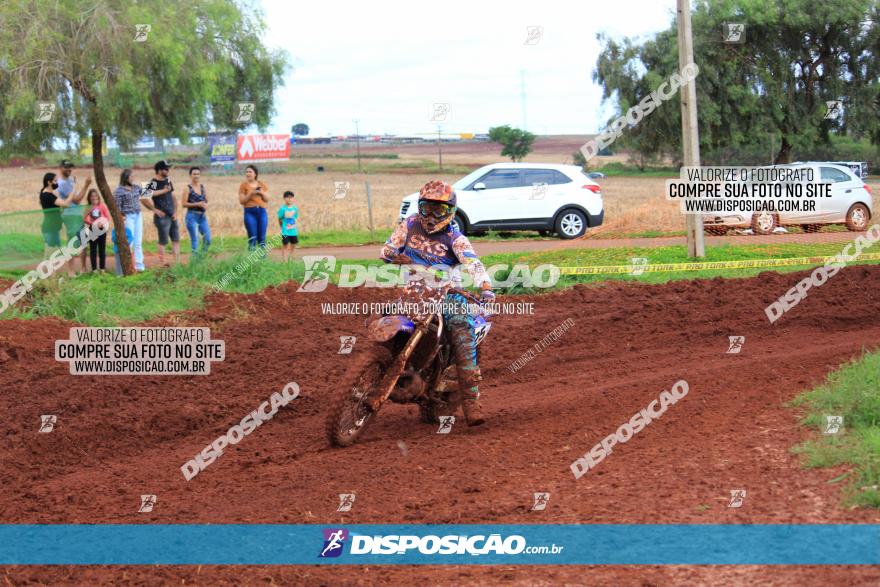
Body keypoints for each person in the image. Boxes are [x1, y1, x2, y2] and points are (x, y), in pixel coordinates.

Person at [379, 179, 495, 426]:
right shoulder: (409, 224)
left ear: (450, 211)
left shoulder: (455, 237)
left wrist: (485, 288)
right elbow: (388, 248)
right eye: (426, 208)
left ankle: (472, 401)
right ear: (419, 207)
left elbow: (473, 263)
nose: (431, 215)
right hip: (415, 291)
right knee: (384, 318)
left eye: (439, 209)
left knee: (461, 329)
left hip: (449, 295)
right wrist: (391, 255)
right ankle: (374, 368)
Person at [39, 172, 93, 277]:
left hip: (54, 227)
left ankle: (49, 276)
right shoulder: (47, 195)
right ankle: (49, 276)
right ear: (49, 182)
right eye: (55, 181)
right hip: (51, 227)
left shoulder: (48, 194)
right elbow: (67, 204)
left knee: (51, 252)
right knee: (51, 253)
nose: (56, 183)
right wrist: (74, 188)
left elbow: (60, 204)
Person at [144, 160, 180, 265]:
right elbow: (143, 197)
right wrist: (154, 209)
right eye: (165, 169)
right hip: (162, 217)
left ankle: (176, 263)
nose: (168, 170)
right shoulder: (153, 182)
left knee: (176, 239)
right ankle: (163, 264)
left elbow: (173, 197)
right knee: (163, 241)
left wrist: (175, 211)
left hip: (172, 215)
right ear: (159, 170)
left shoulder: (167, 180)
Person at [56, 160, 88, 275]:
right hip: (70, 216)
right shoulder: (62, 184)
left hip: (77, 214)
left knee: (83, 242)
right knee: (72, 243)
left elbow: (78, 198)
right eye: (66, 167)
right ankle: (71, 271)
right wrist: (86, 185)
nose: (69, 169)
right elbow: (78, 199)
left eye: (70, 167)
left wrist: (80, 187)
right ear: (60, 168)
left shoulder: (70, 181)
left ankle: (83, 269)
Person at [113, 169, 147, 272]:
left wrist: (157, 186)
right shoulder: (119, 191)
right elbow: (117, 207)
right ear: (126, 177)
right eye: (131, 176)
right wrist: (120, 219)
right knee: (129, 241)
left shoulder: (136, 187)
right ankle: (129, 265)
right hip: (128, 217)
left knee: (138, 241)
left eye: (133, 176)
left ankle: (139, 266)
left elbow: (147, 195)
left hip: (138, 215)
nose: (133, 178)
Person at [182, 166, 211, 255]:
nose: (196, 176)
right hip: (191, 216)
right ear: (190, 175)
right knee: (196, 241)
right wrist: (197, 204)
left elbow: (206, 200)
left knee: (208, 239)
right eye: (194, 174)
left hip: (202, 217)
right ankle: (194, 263)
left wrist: (205, 205)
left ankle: (200, 259)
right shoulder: (187, 188)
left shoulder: (202, 187)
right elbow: (183, 204)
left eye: (198, 174)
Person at [238, 164, 269, 250]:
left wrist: (261, 192)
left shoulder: (261, 184)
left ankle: (263, 261)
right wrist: (251, 193)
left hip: (262, 212)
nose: (248, 173)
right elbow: (242, 201)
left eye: (250, 172)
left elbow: (267, 199)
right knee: (252, 238)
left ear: (255, 174)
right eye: (246, 172)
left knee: (262, 238)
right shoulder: (243, 185)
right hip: (249, 212)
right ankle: (251, 262)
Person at [83, 188, 110, 272]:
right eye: (92, 196)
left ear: (98, 197)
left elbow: (107, 217)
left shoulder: (102, 206)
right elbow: (83, 218)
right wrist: (91, 223)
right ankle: (94, 269)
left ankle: (102, 268)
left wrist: (102, 223)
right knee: (93, 249)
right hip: (92, 230)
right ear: (89, 198)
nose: (94, 197)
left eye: (95, 195)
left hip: (102, 230)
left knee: (102, 249)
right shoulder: (88, 207)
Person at [277, 190, 299, 261]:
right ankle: (284, 260)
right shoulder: (282, 209)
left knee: (294, 244)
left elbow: (295, 218)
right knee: (285, 245)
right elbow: (279, 218)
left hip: (293, 231)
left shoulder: (295, 208)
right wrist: (281, 226)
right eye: (287, 197)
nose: (289, 199)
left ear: (293, 198)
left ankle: (291, 257)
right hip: (285, 231)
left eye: (291, 197)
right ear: (284, 198)